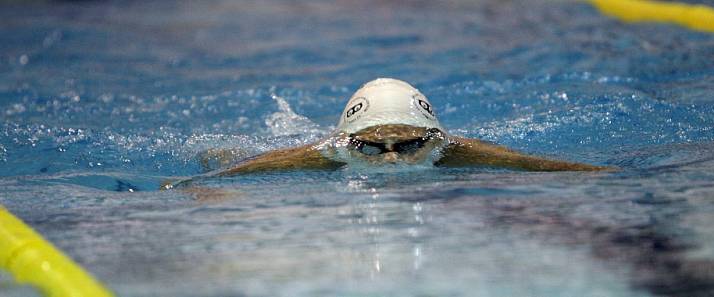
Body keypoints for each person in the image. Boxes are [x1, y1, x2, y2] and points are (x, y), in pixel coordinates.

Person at [162, 78, 607, 189]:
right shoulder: (322, 154)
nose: (392, 160)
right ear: (346, 142)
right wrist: (196, 186)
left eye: (409, 145)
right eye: (372, 147)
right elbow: (226, 170)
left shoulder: (456, 152)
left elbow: (553, 167)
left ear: (435, 138)